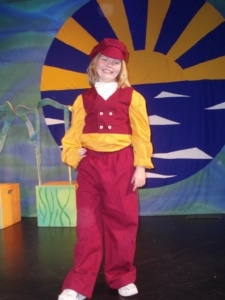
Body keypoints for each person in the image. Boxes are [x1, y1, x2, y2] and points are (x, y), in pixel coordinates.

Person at [58, 38, 154, 300]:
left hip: (122, 164)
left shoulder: (133, 97)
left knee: (122, 222)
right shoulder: (82, 99)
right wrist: (72, 154)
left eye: (115, 62)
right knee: (87, 226)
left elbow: (141, 134)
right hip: (90, 166)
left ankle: (121, 276)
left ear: (122, 67)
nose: (109, 65)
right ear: (95, 63)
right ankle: (78, 284)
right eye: (105, 60)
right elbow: (74, 132)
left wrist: (140, 166)